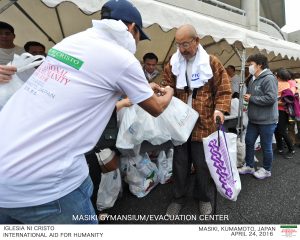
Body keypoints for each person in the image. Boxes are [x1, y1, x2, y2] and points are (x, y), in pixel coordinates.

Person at [0, 0, 173, 224]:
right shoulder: (122, 58)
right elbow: (157, 108)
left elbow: (80, 99)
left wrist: (138, 93)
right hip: (46, 186)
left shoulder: (69, 43)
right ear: (131, 29)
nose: (138, 43)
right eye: (140, 36)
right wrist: (168, 91)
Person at [163, 24, 231, 216]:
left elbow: (224, 90)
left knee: (203, 165)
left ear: (197, 40)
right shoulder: (173, 62)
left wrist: (220, 110)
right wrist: (164, 92)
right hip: (181, 123)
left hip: (204, 123)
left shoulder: (212, 62)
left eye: (185, 44)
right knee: (180, 165)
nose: (182, 49)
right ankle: (178, 198)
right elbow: (167, 84)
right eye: (179, 44)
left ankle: (203, 198)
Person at [238, 53, 278, 179]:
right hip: (254, 119)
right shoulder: (253, 79)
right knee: (249, 142)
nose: (249, 67)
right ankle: (249, 166)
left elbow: (271, 98)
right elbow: (250, 96)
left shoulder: (269, 78)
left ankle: (266, 170)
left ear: (259, 65)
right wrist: (247, 101)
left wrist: (252, 98)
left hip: (267, 120)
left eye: (251, 64)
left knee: (266, 146)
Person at [274, 68, 295, 159]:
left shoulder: (277, 84)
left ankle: (291, 149)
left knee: (281, 130)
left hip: (281, 110)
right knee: (279, 130)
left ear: (278, 76)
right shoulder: (288, 84)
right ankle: (280, 148)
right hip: (285, 110)